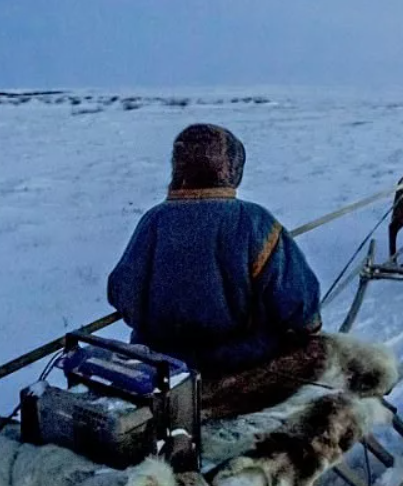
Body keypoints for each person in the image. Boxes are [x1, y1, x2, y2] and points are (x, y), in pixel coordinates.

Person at [108, 124, 325, 416]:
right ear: (233, 167)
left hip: (161, 370)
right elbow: (300, 306)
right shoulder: (254, 222)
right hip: (238, 372)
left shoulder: (153, 220)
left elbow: (123, 295)